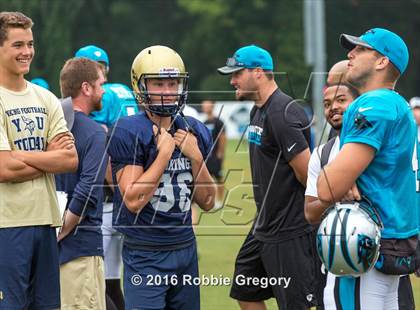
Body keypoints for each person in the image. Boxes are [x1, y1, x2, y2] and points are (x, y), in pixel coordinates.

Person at [316, 28, 419, 309]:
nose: (350, 54)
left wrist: (342, 174)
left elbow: (326, 189)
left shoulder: (374, 105)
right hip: (391, 245)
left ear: (381, 61)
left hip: (364, 250)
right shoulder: (397, 104)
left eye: (360, 49)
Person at [107, 45, 216, 310]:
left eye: (173, 84)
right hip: (145, 252)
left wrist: (196, 158)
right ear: (140, 86)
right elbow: (132, 199)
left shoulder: (194, 130)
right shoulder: (129, 131)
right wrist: (163, 155)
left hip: (184, 248)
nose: (167, 92)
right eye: (158, 84)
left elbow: (209, 201)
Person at [218, 44, 320, 309]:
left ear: (259, 72)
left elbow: (307, 174)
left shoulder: (283, 113)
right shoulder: (258, 110)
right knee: (245, 290)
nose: (232, 80)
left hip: (290, 230)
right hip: (264, 226)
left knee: (295, 304)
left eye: (238, 73)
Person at [0, 11, 78, 309]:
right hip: (7, 225)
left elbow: (70, 159)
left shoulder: (45, 98)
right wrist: (49, 157)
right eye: (18, 44)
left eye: (30, 44)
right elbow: (4, 169)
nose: (27, 52)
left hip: (46, 224)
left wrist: (20, 155)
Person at [75, 44, 137, 310]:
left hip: (108, 197)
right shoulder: (124, 91)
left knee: (97, 280)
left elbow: (99, 138)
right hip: (131, 190)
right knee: (113, 279)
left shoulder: (105, 97)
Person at [55, 57, 108, 309]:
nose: (104, 90)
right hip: (79, 249)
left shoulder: (49, 126)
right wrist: (62, 230)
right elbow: (87, 190)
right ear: (86, 88)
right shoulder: (95, 132)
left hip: (46, 250)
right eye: (101, 84)